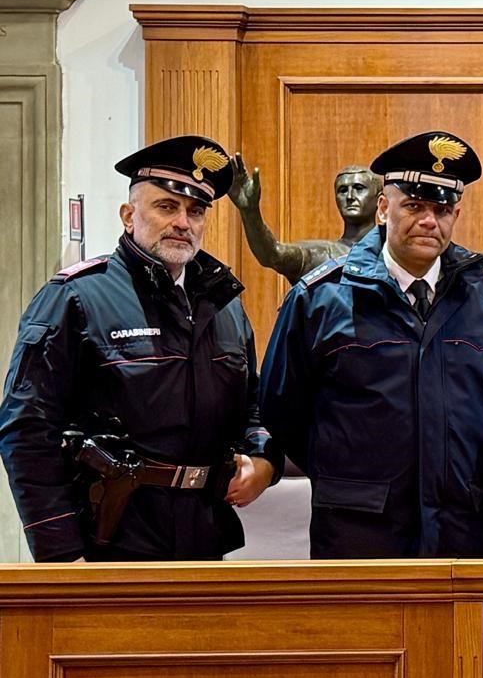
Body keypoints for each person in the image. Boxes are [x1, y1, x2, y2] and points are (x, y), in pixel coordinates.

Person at [0, 135, 279, 561]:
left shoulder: (224, 305)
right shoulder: (75, 297)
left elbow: (254, 406)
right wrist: (60, 553)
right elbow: (26, 430)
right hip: (109, 538)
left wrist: (262, 461)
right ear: (129, 215)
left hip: (203, 535)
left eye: (196, 211)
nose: (183, 222)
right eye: (167, 206)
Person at [258, 130, 483, 558]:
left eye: (442, 208)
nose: (429, 220)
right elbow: (283, 410)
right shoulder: (319, 297)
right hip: (361, 529)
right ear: (383, 207)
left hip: (467, 528)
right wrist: (353, 476)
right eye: (413, 206)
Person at [228, 159, 379, 283]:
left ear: (380, 199)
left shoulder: (394, 255)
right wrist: (250, 212)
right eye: (343, 190)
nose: (350, 196)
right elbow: (273, 254)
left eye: (359, 188)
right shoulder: (322, 255)